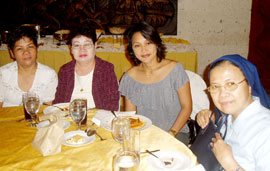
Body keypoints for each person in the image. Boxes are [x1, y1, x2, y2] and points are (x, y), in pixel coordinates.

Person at [119, 21, 192, 144]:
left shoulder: (175, 69)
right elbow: (130, 116)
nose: (144, 49)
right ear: (132, 49)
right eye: (137, 45)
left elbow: (187, 107)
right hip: (143, 135)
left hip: (176, 133)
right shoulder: (129, 77)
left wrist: (171, 134)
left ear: (157, 43)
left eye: (148, 43)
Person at [196, 54, 270, 170]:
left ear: (249, 86)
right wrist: (207, 117)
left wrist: (231, 165)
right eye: (215, 87)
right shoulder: (228, 116)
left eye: (230, 84)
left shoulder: (265, 130)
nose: (222, 94)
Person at [53, 25, 120, 111]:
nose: (82, 49)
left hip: (98, 121)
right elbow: (59, 103)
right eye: (77, 45)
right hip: (69, 120)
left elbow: (112, 105)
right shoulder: (65, 70)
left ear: (95, 46)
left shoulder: (106, 69)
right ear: (71, 49)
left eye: (87, 44)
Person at [0, 26, 58, 107]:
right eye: (20, 48)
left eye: (30, 47)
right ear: (12, 53)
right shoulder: (3, 74)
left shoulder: (49, 75)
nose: (26, 52)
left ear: (37, 49)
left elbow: (47, 109)